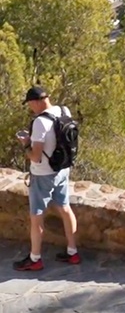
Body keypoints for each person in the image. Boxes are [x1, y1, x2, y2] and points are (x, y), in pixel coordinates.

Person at [14, 86, 79, 271]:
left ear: (36, 102)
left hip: (43, 174)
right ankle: (72, 252)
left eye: (29, 104)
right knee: (65, 208)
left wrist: (26, 142)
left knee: (36, 217)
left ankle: (35, 259)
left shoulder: (40, 122)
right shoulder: (63, 110)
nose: (30, 108)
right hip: (62, 169)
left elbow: (35, 156)